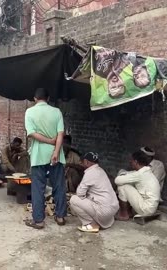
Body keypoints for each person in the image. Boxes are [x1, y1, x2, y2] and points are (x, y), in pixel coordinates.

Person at [24, 88, 66, 229]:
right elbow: (61, 134)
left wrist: (48, 141)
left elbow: (31, 133)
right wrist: (55, 151)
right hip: (56, 154)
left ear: (35, 99)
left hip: (38, 155)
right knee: (59, 186)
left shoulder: (30, 112)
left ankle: (39, 221)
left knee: (38, 188)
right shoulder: (57, 112)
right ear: (48, 98)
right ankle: (60, 217)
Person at [70, 152, 119, 233]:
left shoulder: (90, 173)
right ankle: (104, 221)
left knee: (74, 199)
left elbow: (80, 193)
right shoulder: (101, 170)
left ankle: (91, 224)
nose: (81, 165)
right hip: (113, 210)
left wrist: (86, 196)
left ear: (86, 162)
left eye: (82, 162)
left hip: (104, 212)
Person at [115, 151, 160, 220]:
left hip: (146, 209)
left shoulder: (139, 174)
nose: (130, 162)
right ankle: (129, 212)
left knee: (123, 186)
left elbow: (117, 180)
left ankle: (123, 214)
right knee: (130, 184)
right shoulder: (146, 171)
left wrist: (123, 175)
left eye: (131, 161)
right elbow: (132, 174)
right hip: (152, 208)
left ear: (136, 162)